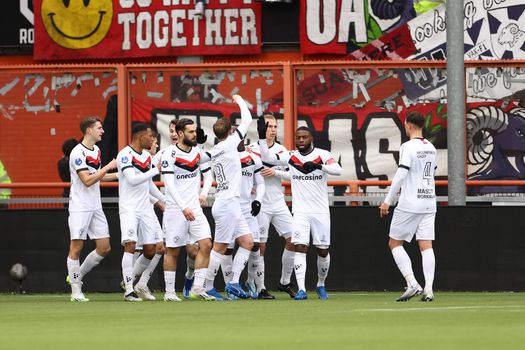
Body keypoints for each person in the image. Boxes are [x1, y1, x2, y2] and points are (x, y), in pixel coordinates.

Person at [257, 121, 342, 300]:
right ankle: (302, 289)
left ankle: (320, 284)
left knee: (322, 250)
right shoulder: (291, 157)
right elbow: (273, 161)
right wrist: (263, 140)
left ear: (311, 139)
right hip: (301, 211)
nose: (301, 140)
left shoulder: (322, 155)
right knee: (300, 246)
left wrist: (319, 166)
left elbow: (338, 170)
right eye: (298, 138)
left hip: (320, 211)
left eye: (304, 137)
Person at [379, 111, 437, 302]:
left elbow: (401, 174)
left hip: (410, 202)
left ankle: (412, 283)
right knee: (426, 244)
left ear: (409, 126)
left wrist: (388, 200)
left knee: (394, 243)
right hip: (429, 201)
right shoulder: (431, 147)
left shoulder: (407, 147)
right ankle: (429, 289)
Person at [203, 95, 254, 300]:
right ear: (231, 131)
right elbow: (248, 119)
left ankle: (233, 283)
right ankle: (206, 286)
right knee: (220, 247)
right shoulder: (231, 143)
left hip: (228, 202)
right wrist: (240, 100)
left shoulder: (214, 149)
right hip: (226, 204)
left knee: (247, 242)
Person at [161, 118, 215, 301]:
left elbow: (209, 174)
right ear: (181, 133)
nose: (195, 134)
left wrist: (203, 194)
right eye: (191, 132)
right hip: (176, 209)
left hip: (194, 208)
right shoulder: (169, 154)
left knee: (206, 244)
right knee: (173, 251)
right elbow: (169, 183)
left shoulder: (198, 153)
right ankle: (169, 293)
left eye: (195, 131)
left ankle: (197, 288)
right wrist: (183, 207)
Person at [66, 116, 117, 302]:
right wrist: (109, 167)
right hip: (80, 206)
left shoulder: (95, 150)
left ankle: (76, 274)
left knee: (104, 248)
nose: (102, 131)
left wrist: (120, 173)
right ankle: (76, 291)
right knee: (77, 248)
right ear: (89, 130)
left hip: (96, 205)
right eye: (99, 128)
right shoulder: (77, 153)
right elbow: (87, 180)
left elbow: (99, 176)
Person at [249, 114, 297, 299]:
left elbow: (293, 174)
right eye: (269, 126)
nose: (274, 129)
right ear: (262, 128)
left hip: (278, 202)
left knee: (294, 239)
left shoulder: (282, 150)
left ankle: (284, 282)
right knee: (260, 246)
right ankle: (260, 287)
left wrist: (276, 172)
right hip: (259, 203)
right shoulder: (251, 148)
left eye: (276, 126)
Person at [117, 123, 165, 302]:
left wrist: (165, 200)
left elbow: (148, 184)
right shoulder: (124, 155)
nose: (152, 139)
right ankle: (129, 290)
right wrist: (154, 170)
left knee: (151, 250)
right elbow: (132, 179)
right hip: (129, 208)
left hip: (145, 208)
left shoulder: (146, 156)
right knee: (130, 245)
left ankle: (129, 281)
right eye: (149, 136)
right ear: (139, 136)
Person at [132, 133, 166, 301]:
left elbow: (149, 185)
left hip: (149, 208)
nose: (156, 145)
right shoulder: (138, 158)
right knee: (138, 247)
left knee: (158, 248)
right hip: (137, 209)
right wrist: (160, 201)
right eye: (154, 142)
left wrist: (164, 201)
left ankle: (139, 283)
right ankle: (130, 282)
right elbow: (137, 184)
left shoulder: (149, 158)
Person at [236, 137, 265, 299]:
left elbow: (260, 183)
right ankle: (231, 285)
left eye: (240, 138)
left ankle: (250, 281)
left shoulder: (253, 158)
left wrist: (258, 201)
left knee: (256, 245)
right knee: (226, 248)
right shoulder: (222, 156)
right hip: (230, 207)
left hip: (247, 207)